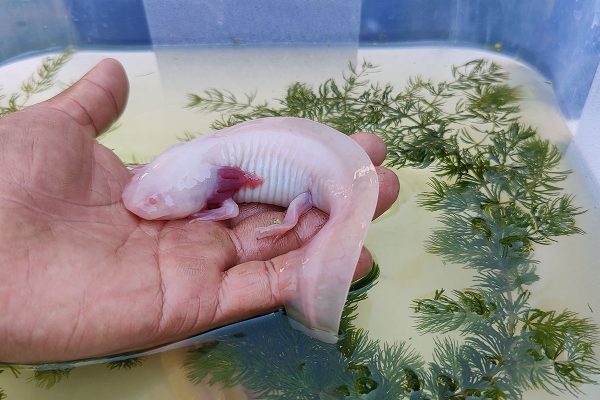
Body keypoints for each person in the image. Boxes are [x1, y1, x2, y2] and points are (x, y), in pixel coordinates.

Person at [0, 59, 400, 363]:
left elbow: (225, 205)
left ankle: (311, 277)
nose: (144, 205)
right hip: (312, 173)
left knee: (308, 216)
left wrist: (285, 223)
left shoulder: (222, 179)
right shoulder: (198, 165)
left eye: (155, 199)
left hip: (316, 185)